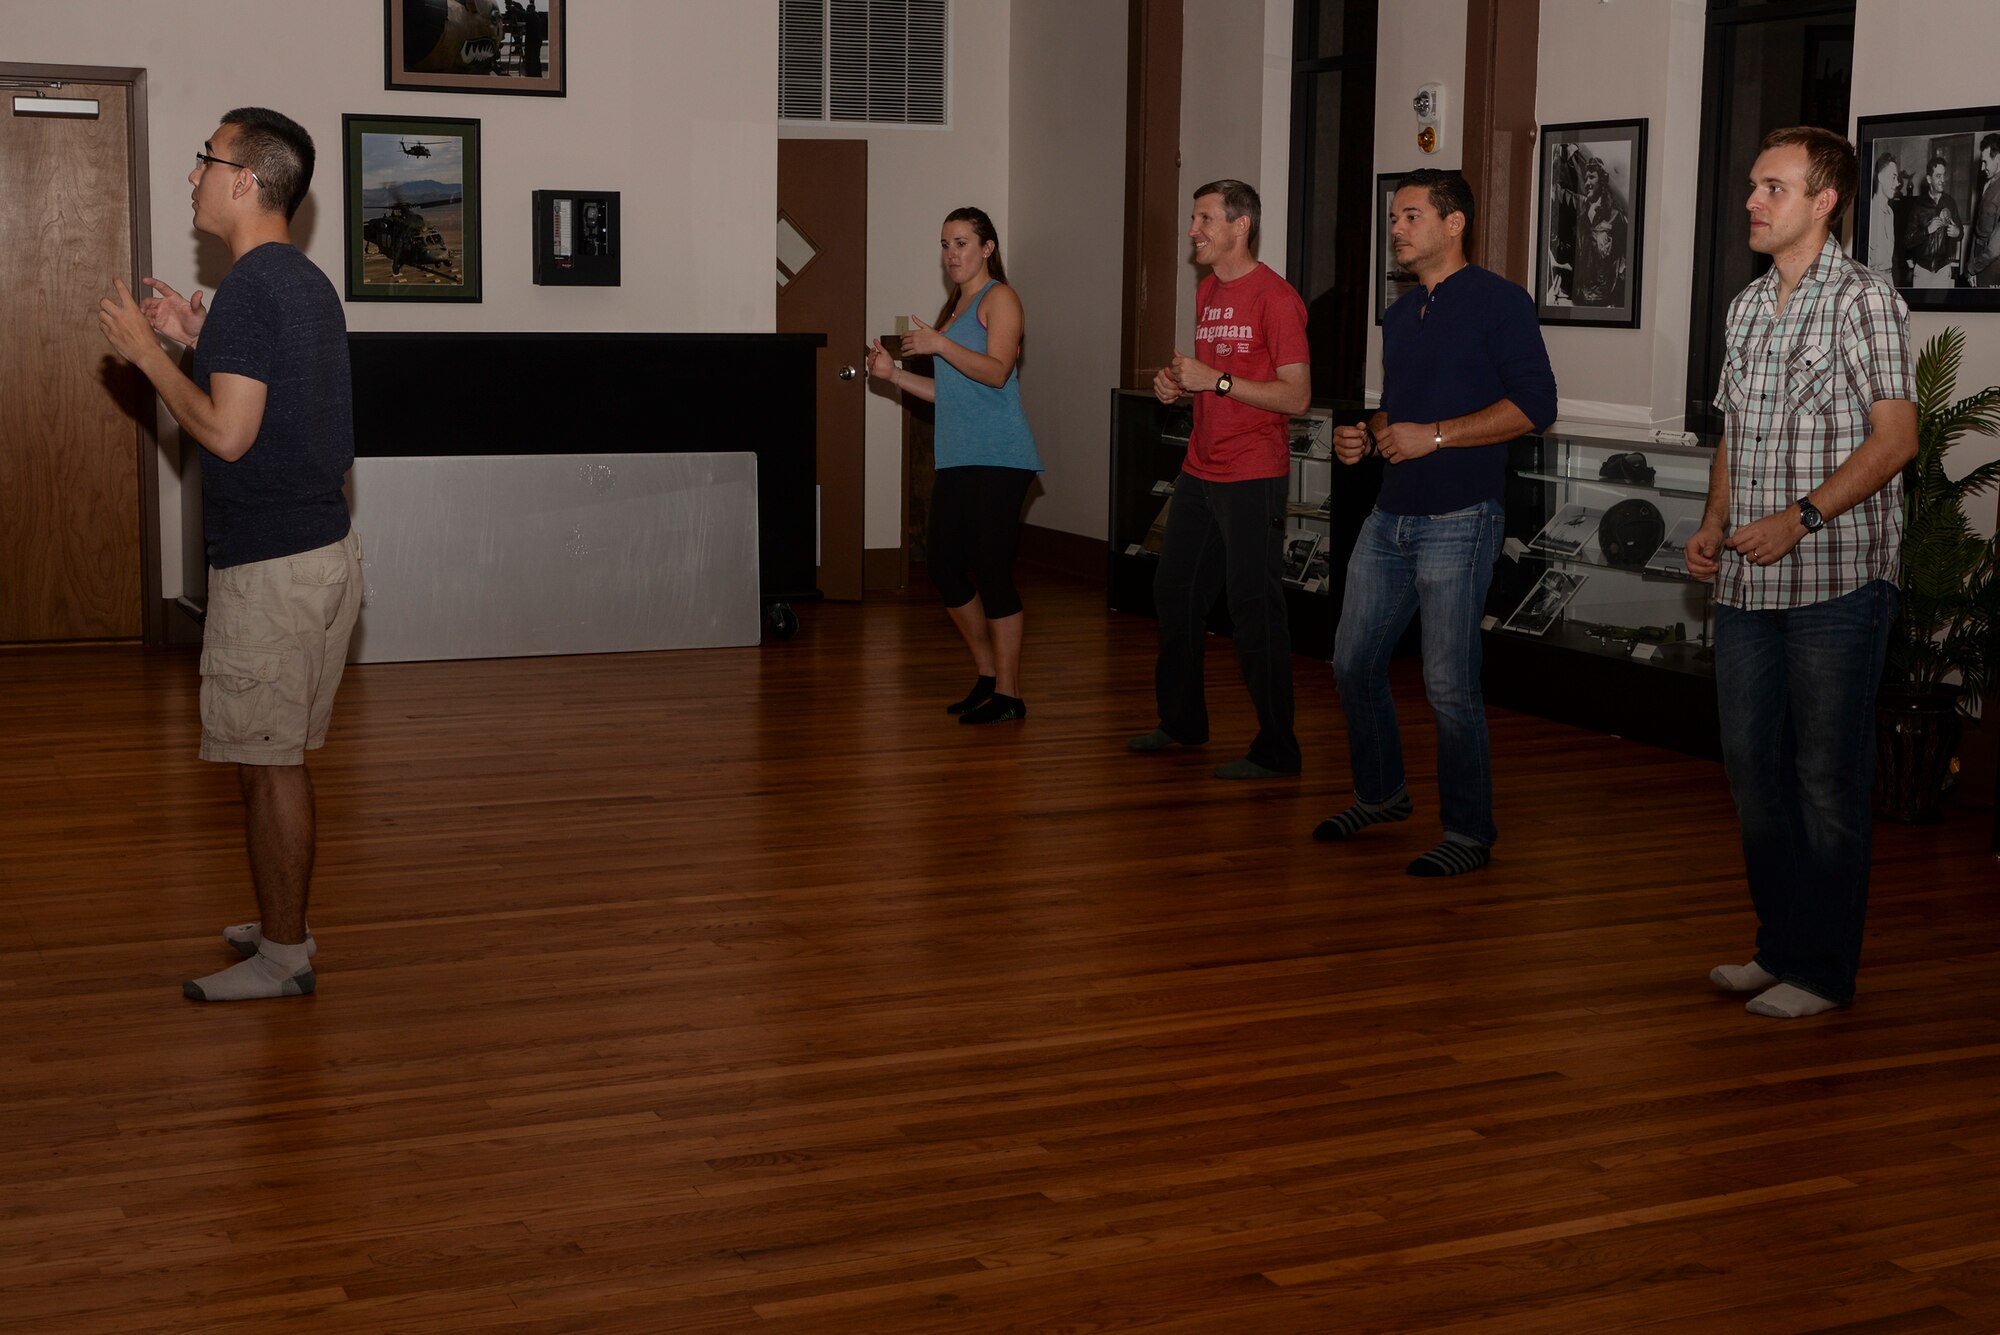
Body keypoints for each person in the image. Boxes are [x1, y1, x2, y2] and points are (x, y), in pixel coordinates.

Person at [97, 107, 361, 1002]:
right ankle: (280, 916)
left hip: (274, 571)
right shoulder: (297, 281)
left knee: (272, 760)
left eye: (206, 159)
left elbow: (227, 431)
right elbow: (274, 404)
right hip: (316, 553)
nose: (193, 175)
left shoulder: (254, 287)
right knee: (267, 752)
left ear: (246, 180)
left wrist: (147, 355)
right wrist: (194, 338)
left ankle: (285, 954)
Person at [1685, 125, 1916, 1020]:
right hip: (1746, 587)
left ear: (1824, 203)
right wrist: (1713, 523)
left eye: (1772, 188)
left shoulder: (1865, 301)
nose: (1752, 199)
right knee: (1754, 772)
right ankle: (1778, 947)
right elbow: (1736, 437)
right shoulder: (1746, 310)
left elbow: (1897, 440)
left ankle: (1823, 969)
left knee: (1827, 780)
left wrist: (1803, 516)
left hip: (1839, 585)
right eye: (1753, 185)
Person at [1318, 169, 1557, 877]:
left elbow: (1536, 406)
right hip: (1388, 514)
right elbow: (1399, 411)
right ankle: (1383, 793)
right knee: (1351, 661)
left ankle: (1468, 830)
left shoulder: (1500, 303)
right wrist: (1369, 434)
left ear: (1454, 224)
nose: (1396, 228)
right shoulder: (1400, 314)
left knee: (1448, 683)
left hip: (1462, 515)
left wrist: (1438, 437)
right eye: (1394, 217)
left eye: (1411, 215)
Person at [1127, 179, 1311, 779]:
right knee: (1174, 593)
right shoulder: (1208, 290)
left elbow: (1296, 395)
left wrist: (1217, 382)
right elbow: (1211, 374)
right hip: (1200, 467)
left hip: (1253, 472)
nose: (1192, 231)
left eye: (1204, 219)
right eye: (1192, 219)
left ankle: (1278, 748)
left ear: (1240, 226)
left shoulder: (1276, 298)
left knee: (1255, 608)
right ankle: (1182, 721)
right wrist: (1176, 384)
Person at [867, 206, 1043, 724]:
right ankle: (988, 676)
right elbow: (950, 392)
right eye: (945, 244)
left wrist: (940, 343)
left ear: (987, 248)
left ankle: (1010, 695)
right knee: (944, 567)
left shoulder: (1000, 298)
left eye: (961, 243)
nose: (951, 254)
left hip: (1001, 457)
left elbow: (996, 372)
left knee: (991, 570)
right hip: (960, 456)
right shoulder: (957, 307)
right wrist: (893, 375)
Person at [1901, 154, 1964, 289]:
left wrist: (1957, 232)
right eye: (1938, 176)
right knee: (1921, 309)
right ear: (1929, 179)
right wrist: (1927, 230)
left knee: (1941, 310)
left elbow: (1961, 233)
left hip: (1943, 269)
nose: (1943, 180)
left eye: (1944, 175)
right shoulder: (1918, 205)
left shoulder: (1950, 202)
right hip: (1922, 270)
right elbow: (1907, 241)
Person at [1968, 132, 2000, 287]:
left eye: (1985, 162)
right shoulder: (1988, 184)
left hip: (1993, 264)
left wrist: (1973, 268)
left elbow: (1996, 246)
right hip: (1980, 260)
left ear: (1998, 158)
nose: (1982, 168)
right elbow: (1977, 229)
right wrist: (1973, 262)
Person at [1865, 150, 1902, 280]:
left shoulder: (1890, 212)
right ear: (1880, 177)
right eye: (1893, 177)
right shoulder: (1869, 211)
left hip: (1888, 277)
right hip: (1872, 277)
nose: (1897, 183)